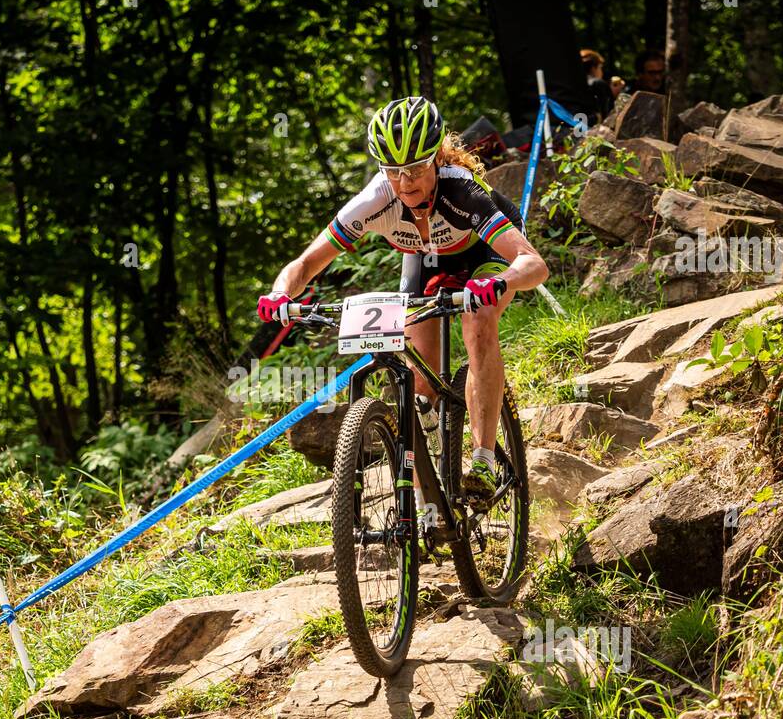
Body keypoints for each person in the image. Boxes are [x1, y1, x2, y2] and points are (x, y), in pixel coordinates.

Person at [257, 96, 549, 502]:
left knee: (478, 320)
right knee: (416, 371)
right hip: (424, 261)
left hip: (484, 255)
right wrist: (279, 294)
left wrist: (504, 281)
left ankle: (482, 458)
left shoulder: (460, 192)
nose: (405, 182)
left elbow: (533, 263)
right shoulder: (375, 200)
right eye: (393, 171)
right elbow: (305, 264)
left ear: (434, 160)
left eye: (414, 169)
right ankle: (425, 500)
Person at [581, 49, 614, 121]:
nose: (602, 72)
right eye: (600, 67)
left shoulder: (572, 86)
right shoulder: (598, 84)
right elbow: (608, 116)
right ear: (593, 67)